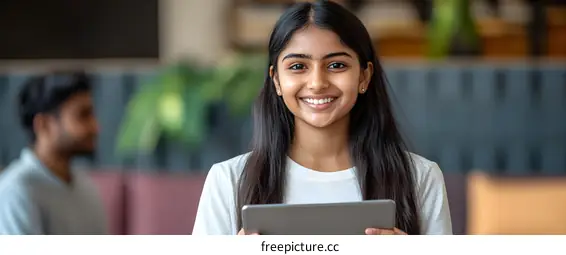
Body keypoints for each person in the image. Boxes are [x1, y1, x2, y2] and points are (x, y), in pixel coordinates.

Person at [193, 0, 452, 235]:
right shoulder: (228, 181)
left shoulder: (421, 178)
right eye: (298, 67)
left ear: (364, 76)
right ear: (276, 81)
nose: (317, 83)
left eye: (336, 65)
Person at [0, 71, 107, 234]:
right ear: (43, 125)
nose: (95, 127)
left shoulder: (87, 190)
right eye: (83, 115)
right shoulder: (16, 191)